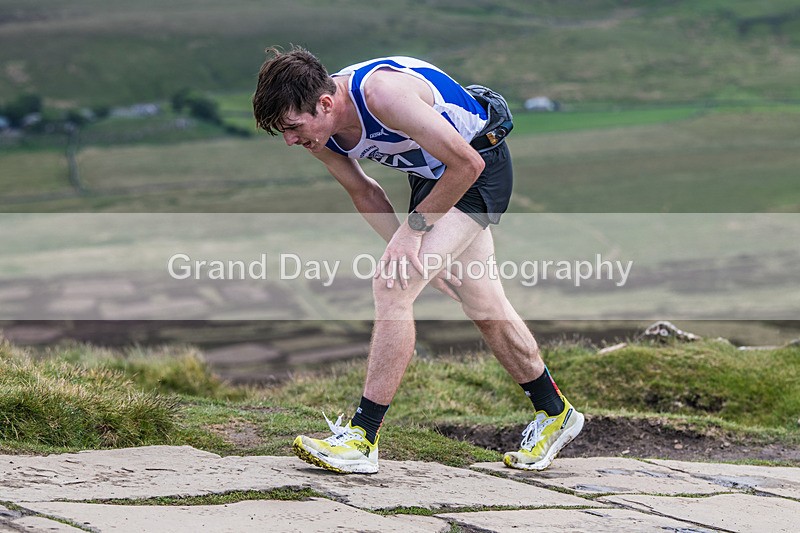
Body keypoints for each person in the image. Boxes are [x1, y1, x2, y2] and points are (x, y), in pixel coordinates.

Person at [253, 47, 583, 474]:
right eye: (283, 131)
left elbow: (468, 164)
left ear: (326, 103)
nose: (290, 140)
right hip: (434, 180)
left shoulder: (383, 95)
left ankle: (362, 438)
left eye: (293, 127)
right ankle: (556, 413)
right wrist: (406, 247)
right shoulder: (320, 132)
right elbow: (365, 192)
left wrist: (412, 236)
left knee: (392, 286)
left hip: (477, 166)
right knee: (483, 305)